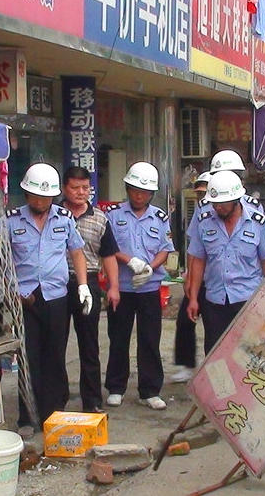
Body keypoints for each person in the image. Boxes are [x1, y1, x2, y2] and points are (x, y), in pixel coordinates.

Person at [0, 163, 91, 431]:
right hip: (25, 298)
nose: (40, 201)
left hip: (56, 297)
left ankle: (53, 414)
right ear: (26, 193)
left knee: (55, 356)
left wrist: (83, 285)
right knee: (28, 357)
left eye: (45, 197)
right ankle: (27, 417)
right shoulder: (10, 220)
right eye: (35, 196)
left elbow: (77, 252)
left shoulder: (64, 219)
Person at [105, 161, 175, 410]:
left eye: (144, 192)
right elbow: (109, 249)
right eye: (134, 190)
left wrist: (150, 268)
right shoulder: (113, 215)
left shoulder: (160, 217)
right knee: (119, 338)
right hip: (122, 287)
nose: (139, 195)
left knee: (149, 339)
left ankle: (150, 390)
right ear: (127, 188)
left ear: (151, 194)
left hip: (149, 288)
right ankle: (116, 387)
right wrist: (129, 260)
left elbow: (166, 249)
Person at [186, 170, 265, 353]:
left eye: (222, 204)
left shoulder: (257, 222)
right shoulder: (204, 222)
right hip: (215, 301)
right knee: (215, 356)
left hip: (247, 301)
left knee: (249, 356)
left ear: (236, 200)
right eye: (214, 204)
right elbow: (198, 260)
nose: (217, 208)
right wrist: (193, 298)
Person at [60, 166, 121, 414]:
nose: (81, 192)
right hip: (59, 284)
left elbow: (108, 256)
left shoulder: (100, 218)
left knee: (89, 344)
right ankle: (56, 398)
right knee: (55, 344)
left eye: (85, 188)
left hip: (91, 284)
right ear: (65, 188)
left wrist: (114, 287)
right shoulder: (55, 214)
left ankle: (92, 400)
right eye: (75, 187)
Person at [170, 171, 211, 384]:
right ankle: (186, 364)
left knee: (217, 329)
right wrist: (188, 275)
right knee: (185, 321)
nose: (201, 197)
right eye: (199, 193)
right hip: (198, 277)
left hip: (221, 282)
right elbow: (194, 247)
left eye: (204, 192)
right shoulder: (201, 211)